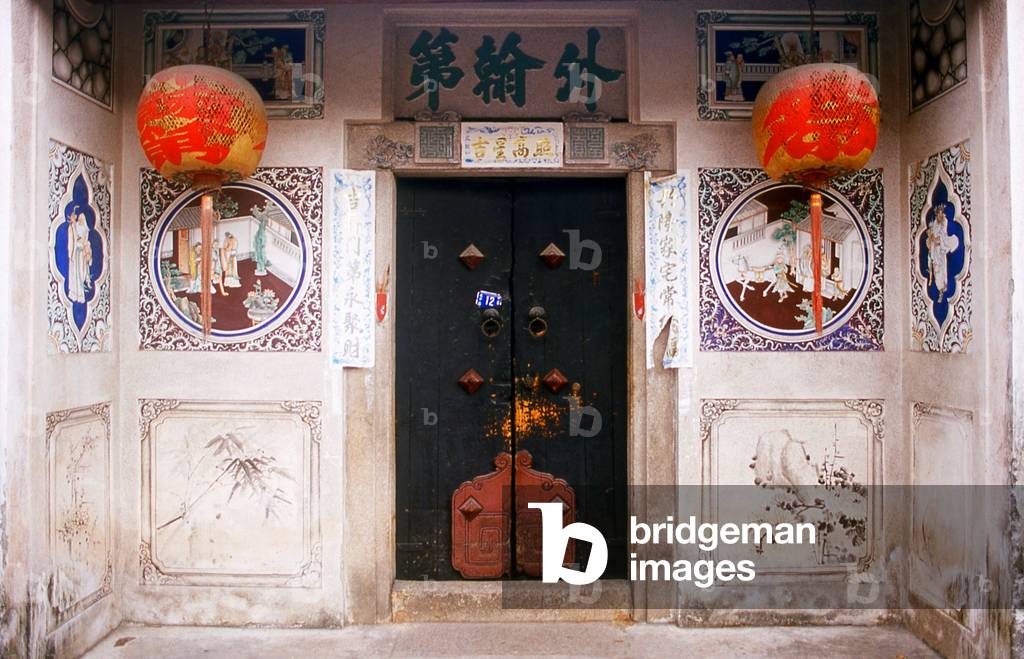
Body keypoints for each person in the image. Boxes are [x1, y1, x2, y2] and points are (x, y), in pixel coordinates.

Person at [67, 206, 93, 304]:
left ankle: (81, 294)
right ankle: (75, 293)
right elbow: (73, 239)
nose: (81, 219)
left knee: (81, 273)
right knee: (76, 273)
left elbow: (85, 241)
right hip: (77, 254)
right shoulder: (74, 227)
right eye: (80, 217)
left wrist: (86, 250)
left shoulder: (84, 230)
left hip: (81, 255)